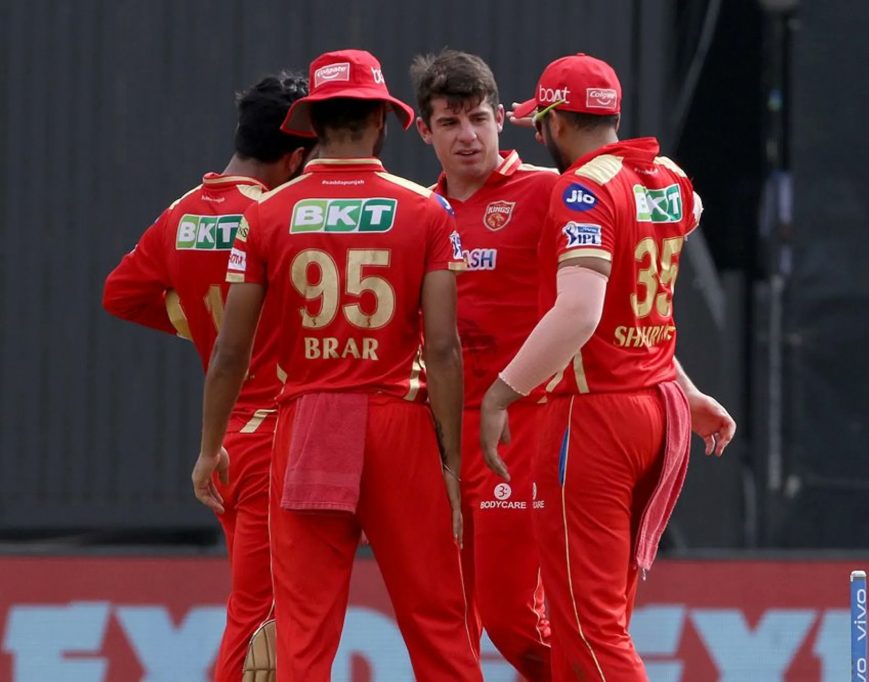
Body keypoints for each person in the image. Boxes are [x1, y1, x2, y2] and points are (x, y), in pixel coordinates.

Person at [192, 48, 482, 682]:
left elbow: (231, 352)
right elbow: (443, 349)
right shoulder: (426, 210)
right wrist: (452, 463)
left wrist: (211, 447)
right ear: (381, 119)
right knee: (439, 624)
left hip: (307, 426)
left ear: (313, 124)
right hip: (397, 425)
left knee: (302, 634)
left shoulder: (265, 214)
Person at [480, 53, 737, 680]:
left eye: (542, 124)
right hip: (659, 406)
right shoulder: (669, 177)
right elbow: (639, 303)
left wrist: (500, 394)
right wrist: (688, 391)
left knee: (588, 628)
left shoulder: (582, 190)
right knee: (600, 622)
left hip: (594, 418)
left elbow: (580, 313)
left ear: (555, 122)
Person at [102, 73, 314, 682]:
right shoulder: (278, 216)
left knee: (268, 610)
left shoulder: (181, 213)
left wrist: (202, 324)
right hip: (276, 432)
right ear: (296, 158)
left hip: (229, 441)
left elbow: (121, 294)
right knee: (263, 612)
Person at [411, 49, 554, 680]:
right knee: (448, 623)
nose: (467, 135)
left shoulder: (550, 192)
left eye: (478, 118)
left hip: (521, 427)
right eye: (450, 122)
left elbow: (609, 301)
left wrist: (681, 388)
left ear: (501, 118)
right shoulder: (416, 210)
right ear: (425, 131)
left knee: (512, 620)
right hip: (437, 434)